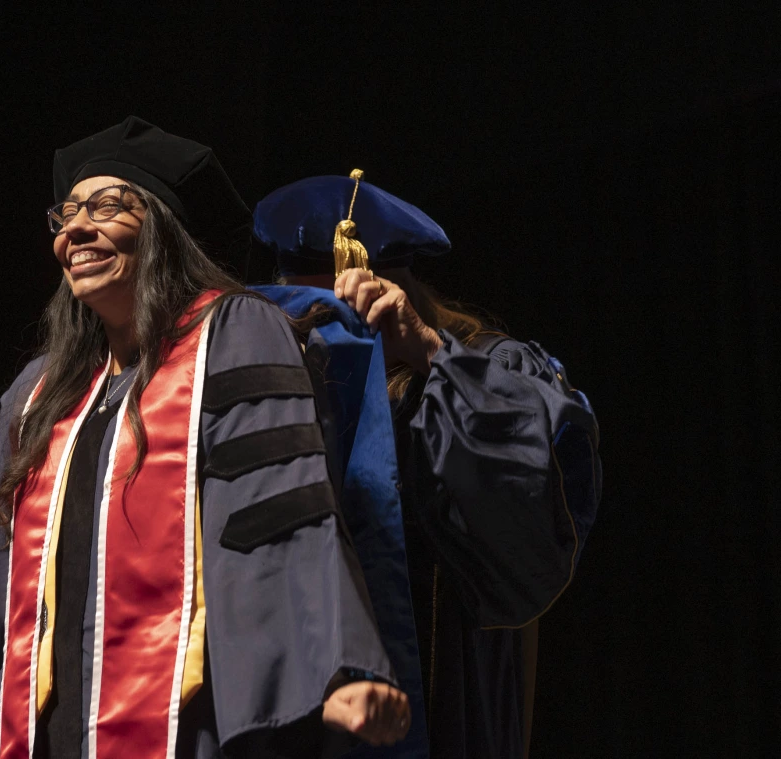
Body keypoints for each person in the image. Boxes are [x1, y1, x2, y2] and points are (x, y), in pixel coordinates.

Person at [0, 119, 413, 759]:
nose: (74, 230)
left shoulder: (233, 337)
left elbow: (282, 503)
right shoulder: (37, 395)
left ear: (161, 229)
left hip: (182, 725)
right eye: (65, 214)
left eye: (104, 207)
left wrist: (336, 662)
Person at [251, 171, 602, 759]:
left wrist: (428, 352)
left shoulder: (485, 365)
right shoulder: (287, 377)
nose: (321, 330)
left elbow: (538, 496)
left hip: (442, 687)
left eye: (333, 309)